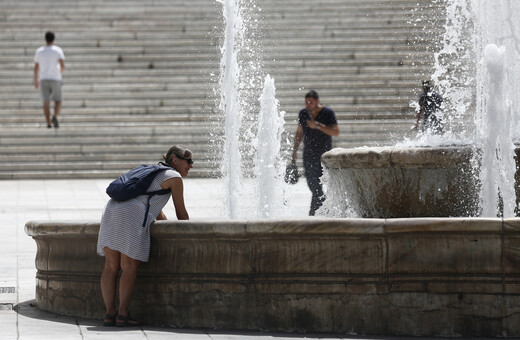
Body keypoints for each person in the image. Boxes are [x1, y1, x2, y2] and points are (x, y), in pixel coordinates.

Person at [97, 145, 193, 327]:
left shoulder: (153, 171)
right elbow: (181, 214)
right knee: (129, 266)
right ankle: (123, 314)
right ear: (174, 160)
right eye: (188, 161)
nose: (191, 165)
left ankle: (109, 314)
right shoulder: (174, 177)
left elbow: (155, 208)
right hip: (132, 212)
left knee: (110, 266)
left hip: (112, 208)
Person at [291, 90, 340, 215]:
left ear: (317, 101)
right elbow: (299, 132)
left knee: (317, 183)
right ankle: (322, 208)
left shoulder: (328, 113)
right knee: (311, 183)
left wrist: (318, 126)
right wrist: (294, 150)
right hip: (308, 153)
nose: (308, 104)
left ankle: (315, 211)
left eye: (311, 102)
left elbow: (336, 132)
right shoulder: (303, 113)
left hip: (323, 154)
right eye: (306, 102)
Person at [33, 31, 65, 128]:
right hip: (55, 78)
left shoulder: (39, 51)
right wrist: (59, 71)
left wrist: (36, 79)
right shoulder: (58, 50)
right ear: (53, 39)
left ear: (45, 39)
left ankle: (48, 123)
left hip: (43, 78)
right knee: (58, 100)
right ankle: (55, 116)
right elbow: (62, 65)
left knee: (45, 101)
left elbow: (36, 67)